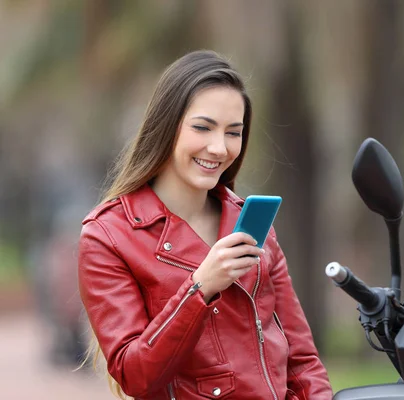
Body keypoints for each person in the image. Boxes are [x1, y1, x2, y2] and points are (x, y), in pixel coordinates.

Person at [78, 50, 333, 400]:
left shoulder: (250, 224)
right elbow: (135, 375)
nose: (219, 148)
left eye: (234, 132)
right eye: (202, 127)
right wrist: (201, 287)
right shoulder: (108, 236)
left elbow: (302, 360)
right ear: (166, 126)